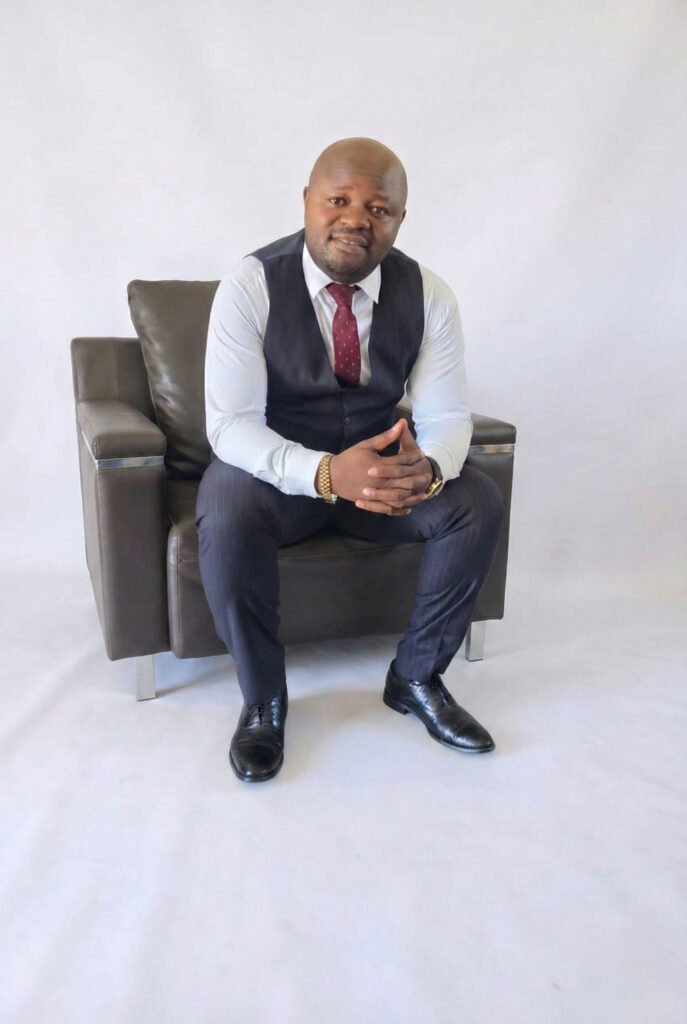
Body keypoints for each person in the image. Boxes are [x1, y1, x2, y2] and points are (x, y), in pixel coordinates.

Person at [196, 137, 504, 783]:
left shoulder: (429, 293)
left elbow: (447, 415)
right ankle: (263, 698)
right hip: (278, 479)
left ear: (399, 218)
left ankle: (416, 679)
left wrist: (429, 469)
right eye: (338, 200)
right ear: (307, 200)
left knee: (475, 500)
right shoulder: (250, 284)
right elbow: (230, 425)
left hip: (380, 482)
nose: (356, 219)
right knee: (224, 505)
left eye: (378, 208)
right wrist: (324, 472)